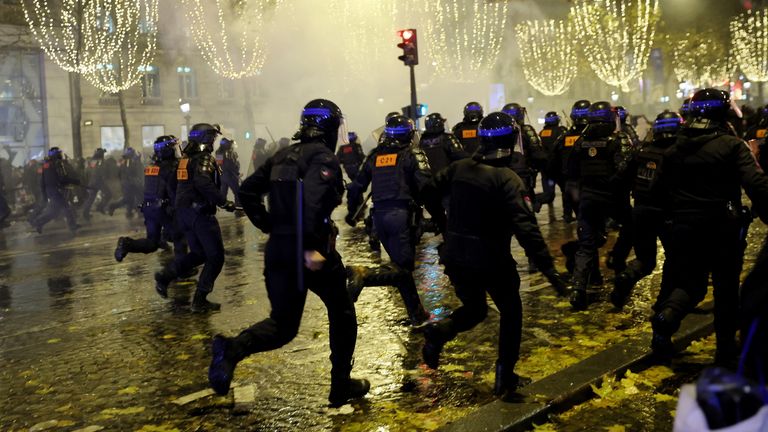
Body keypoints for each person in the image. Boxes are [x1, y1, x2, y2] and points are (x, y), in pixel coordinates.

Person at [208, 99, 369, 407]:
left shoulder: (282, 155)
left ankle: (232, 349)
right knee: (343, 312)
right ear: (331, 129)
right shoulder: (323, 159)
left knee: (283, 326)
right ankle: (340, 384)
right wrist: (309, 248)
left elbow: (247, 191)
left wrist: (269, 225)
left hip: (280, 248)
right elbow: (311, 204)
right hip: (311, 251)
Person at [423, 112, 566, 398]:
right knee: (511, 312)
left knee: (475, 310)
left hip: (456, 257)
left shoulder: (459, 167)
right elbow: (528, 230)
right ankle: (505, 377)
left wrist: (444, 223)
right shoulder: (508, 179)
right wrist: (550, 271)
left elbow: (427, 190)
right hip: (491, 260)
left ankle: (440, 332)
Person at [652, 88, 768, 366]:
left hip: (684, 228)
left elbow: (658, 192)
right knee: (725, 290)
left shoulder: (674, 149)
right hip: (723, 229)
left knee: (690, 283)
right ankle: (725, 351)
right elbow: (756, 184)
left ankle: (667, 316)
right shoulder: (731, 145)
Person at [345, 114, 441, 325]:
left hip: (380, 217)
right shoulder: (411, 153)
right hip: (401, 215)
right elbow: (427, 187)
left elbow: (355, 187)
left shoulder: (375, 155)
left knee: (400, 268)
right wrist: (439, 216)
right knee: (402, 269)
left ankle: (417, 314)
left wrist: (352, 212)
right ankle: (365, 274)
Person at [154, 124, 236, 311]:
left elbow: (175, 185)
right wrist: (224, 202)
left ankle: (166, 276)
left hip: (185, 213)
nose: (213, 142)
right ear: (206, 139)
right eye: (212, 138)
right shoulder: (204, 158)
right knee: (216, 257)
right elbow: (203, 183)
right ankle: (200, 299)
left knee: (199, 254)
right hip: (200, 214)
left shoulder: (185, 159)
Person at [611, 111, 683, 309]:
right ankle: (663, 301)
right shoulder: (679, 155)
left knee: (645, 260)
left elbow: (619, 179)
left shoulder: (642, 152)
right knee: (675, 259)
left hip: (641, 212)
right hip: (668, 214)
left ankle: (626, 277)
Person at [568, 101, 634, 311]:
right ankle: (619, 270)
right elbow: (627, 168)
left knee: (586, 246)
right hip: (613, 199)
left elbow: (571, 168)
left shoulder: (581, 142)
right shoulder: (618, 139)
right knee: (631, 229)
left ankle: (578, 288)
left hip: (588, 198)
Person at [114, 136, 186, 268]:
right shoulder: (171, 167)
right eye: (174, 147)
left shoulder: (151, 167)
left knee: (152, 243)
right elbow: (172, 190)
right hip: (164, 209)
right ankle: (181, 268)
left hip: (149, 208)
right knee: (180, 237)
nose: (177, 150)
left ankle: (127, 244)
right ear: (168, 150)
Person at [549, 100, 590, 223]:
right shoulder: (593, 137)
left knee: (581, 219)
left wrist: (562, 181)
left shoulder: (564, 137)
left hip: (571, 184)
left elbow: (552, 162)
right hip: (591, 186)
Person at [30, 147, 80, 234]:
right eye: (59, 154)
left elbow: (43, 181)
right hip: (55, 191)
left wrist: (45, 194)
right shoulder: (55, 165)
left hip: (51, 191)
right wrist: (74, 181)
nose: (60, 155)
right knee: (66, 208)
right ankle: (72, 226)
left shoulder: (46, 165)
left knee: (54, 212)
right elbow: (61, 179)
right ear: (55, 155)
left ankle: (38, 223)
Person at [535, 111, 567, 214]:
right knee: (566, 191)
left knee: (549, 194)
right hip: (558, 167)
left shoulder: (541, 132)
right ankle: (567, 214)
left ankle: (535, 199)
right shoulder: (561, 131)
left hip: (546, 168)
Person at [108, 147, 144, 218]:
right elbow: (126, 173)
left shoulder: (127, 162)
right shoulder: (128, 162)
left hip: (130, 183)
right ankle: (113, 206)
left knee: (133, 198)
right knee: (130, 198)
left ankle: (130, 212)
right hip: (129, 183)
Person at [215, 137, 244, 217]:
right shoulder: (228, 152)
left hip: (223, 175)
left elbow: (219, 164)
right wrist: (237, 172)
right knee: (237, 192)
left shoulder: (219, 152)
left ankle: (219, 207)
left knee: (223, 193)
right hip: (230, 175)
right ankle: (239, 208)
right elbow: (229, 165)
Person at [81, 148, 112, 220]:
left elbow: (87, 171)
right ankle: (100, 207)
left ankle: (85, 213)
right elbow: (102, 172)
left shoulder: (92, 162)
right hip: (98, 181)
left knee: (91, 198)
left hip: (92, 181)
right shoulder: (100, 161)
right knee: (108, 194)